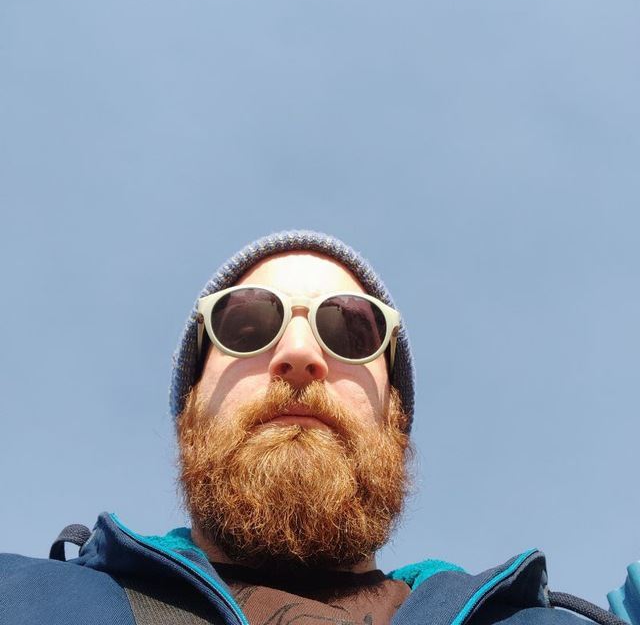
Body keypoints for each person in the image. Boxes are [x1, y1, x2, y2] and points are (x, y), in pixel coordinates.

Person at [0, 230, 628, 625]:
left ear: (396, 419)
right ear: (189, 408)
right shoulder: (24, 598)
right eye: (245, 326)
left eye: (351, 332)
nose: (299, 353)